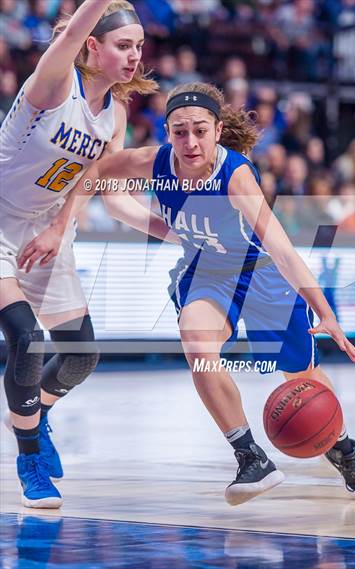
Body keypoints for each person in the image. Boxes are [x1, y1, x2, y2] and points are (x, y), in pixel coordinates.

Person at [21, 82, 355, 506]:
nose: (190, 142)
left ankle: (344, 451)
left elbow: (282, 249)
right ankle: (250, 457)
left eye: (199, 131)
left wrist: (326, 313)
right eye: (179, 132)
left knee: (301, 378)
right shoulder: (155, 162)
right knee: (197, 342)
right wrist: (63, 225)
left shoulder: (236, 175)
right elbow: (98, 171)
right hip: (208, 271)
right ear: (167, 132)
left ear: (217, 131)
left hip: (259, 273)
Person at [0, 0, 176, 509]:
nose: (135, 56)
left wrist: (178, 233)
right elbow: (73, 29)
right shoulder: (56, 82)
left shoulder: (115, 114)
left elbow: (113, 197)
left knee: (81, 356)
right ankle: (30, 459)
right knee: (26, 339)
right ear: (91, 47)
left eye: (139, 46)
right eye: (123, 45)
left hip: (47, 230)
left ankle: (34, 414)